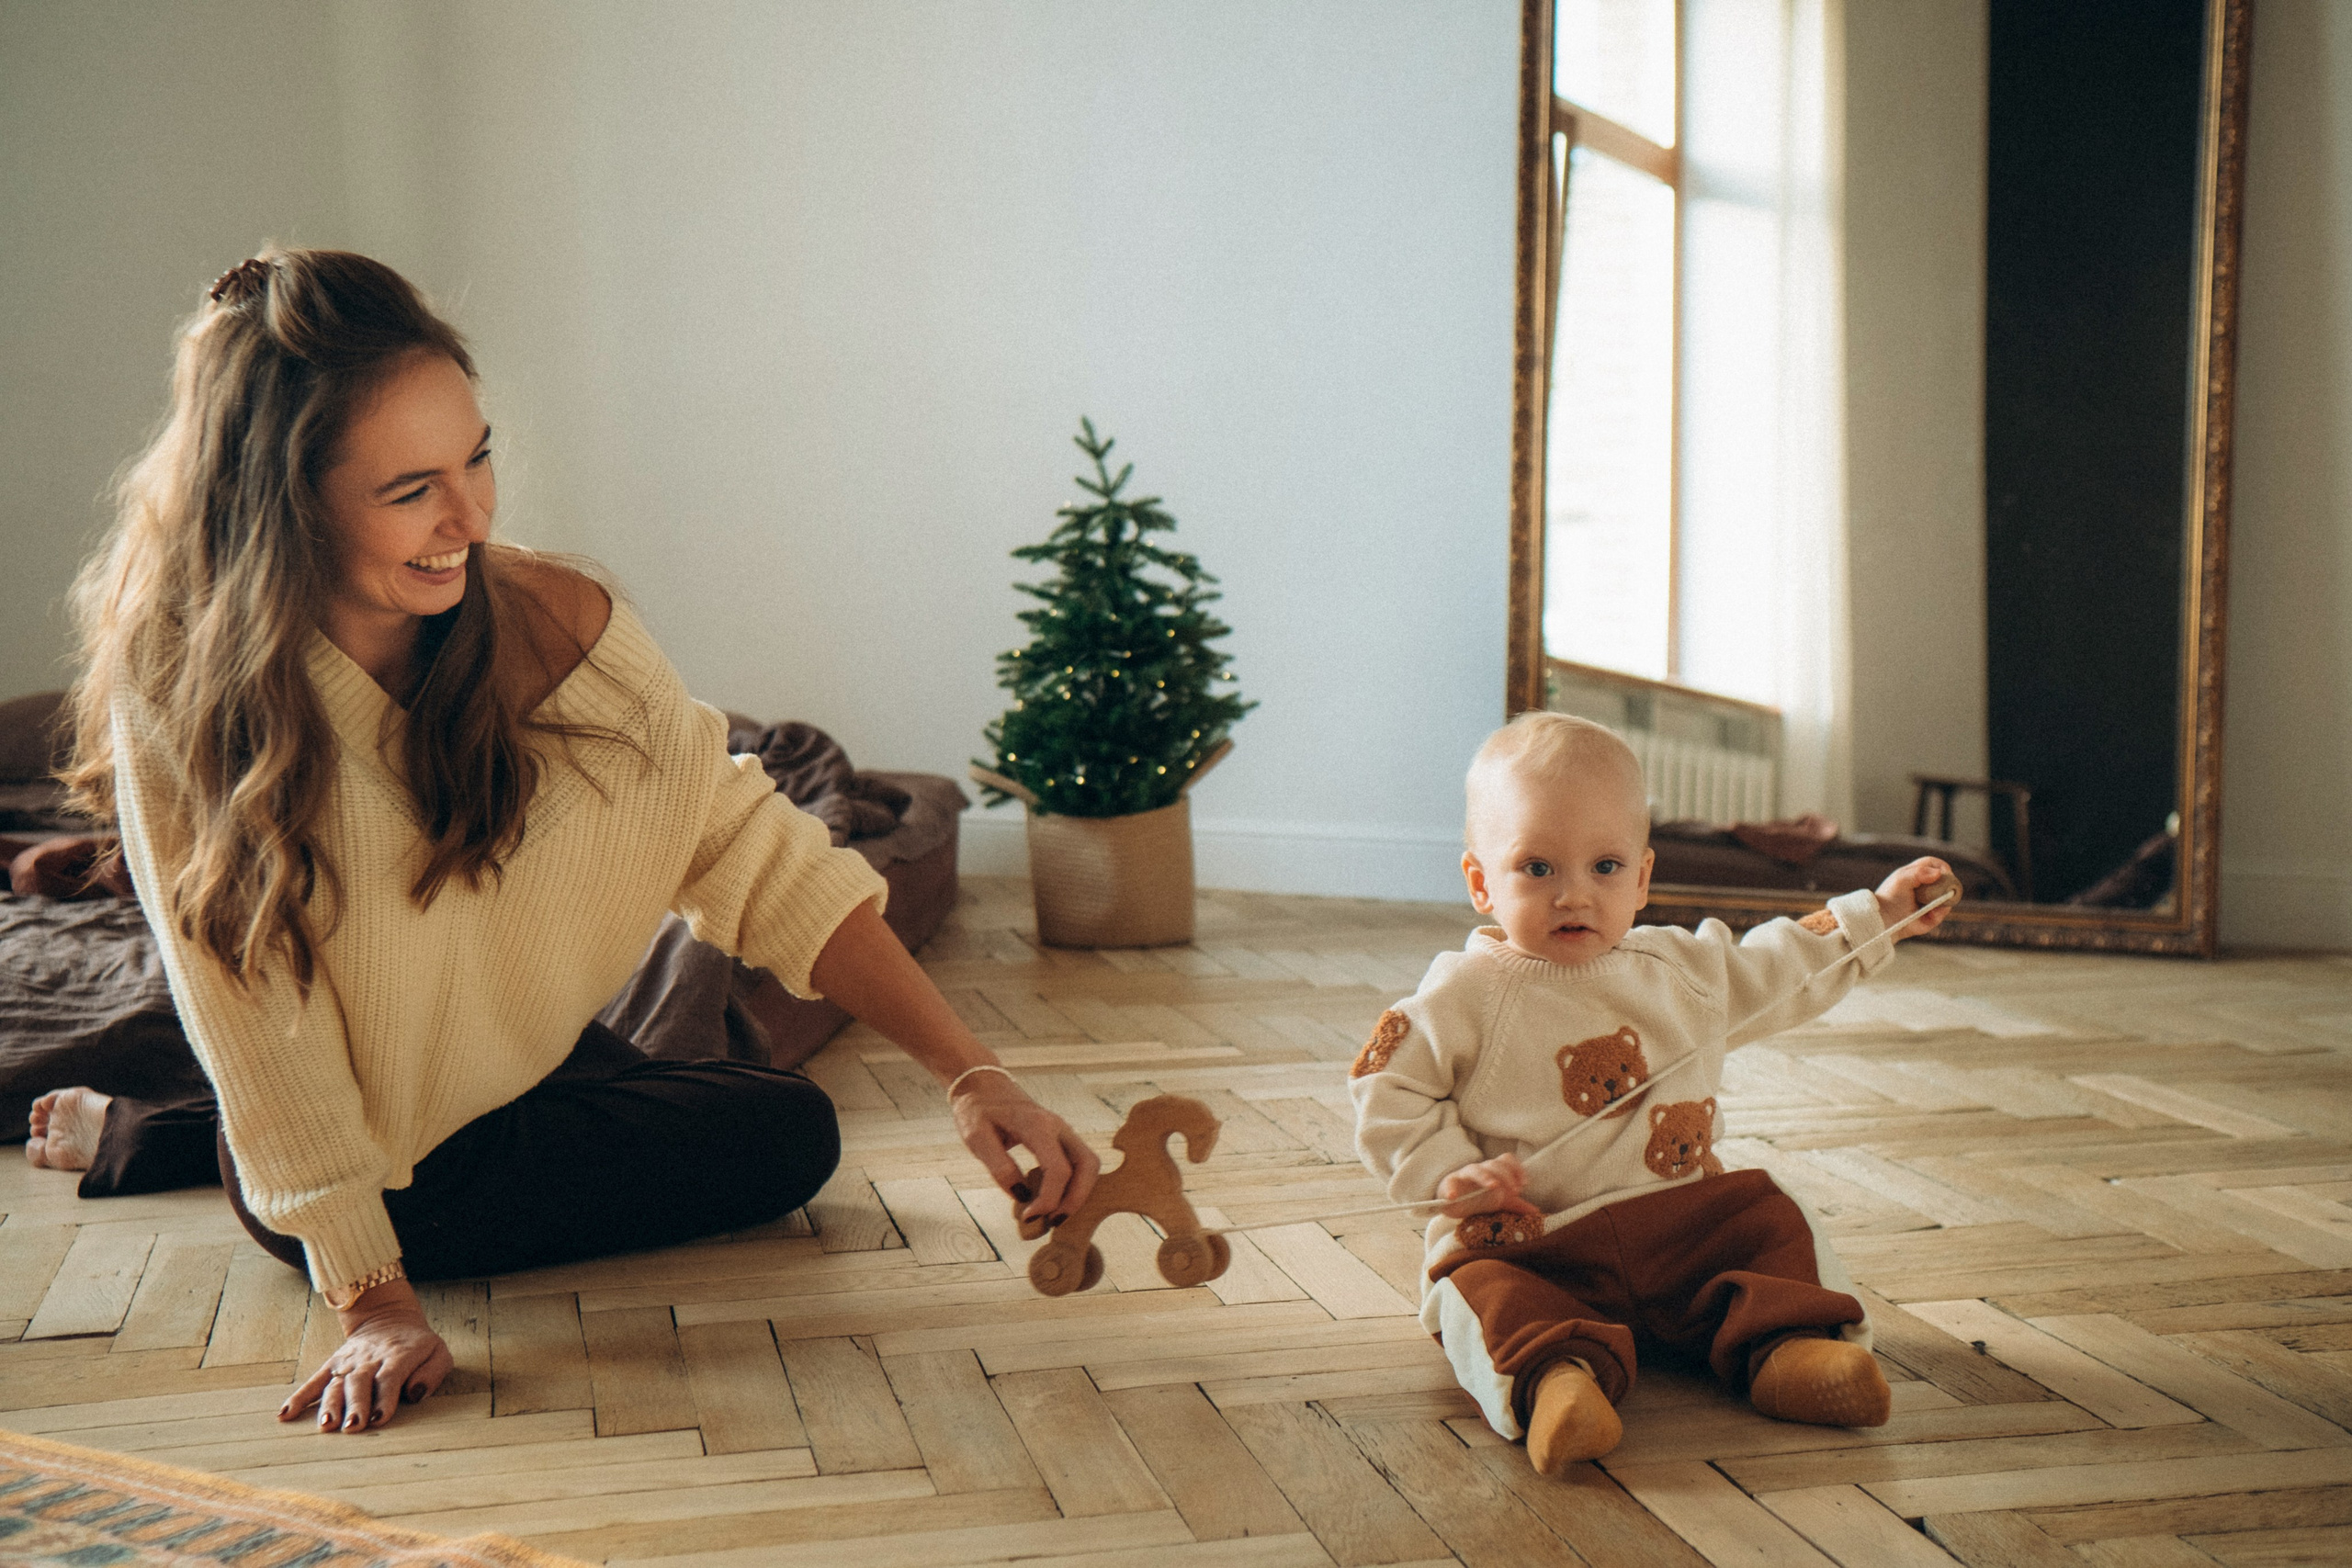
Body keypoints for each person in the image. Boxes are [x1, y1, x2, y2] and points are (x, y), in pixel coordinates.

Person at [27, 248, 1099, 1435]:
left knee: (747, 1096)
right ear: (286, 500)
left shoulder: (552, 616)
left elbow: (739, 834)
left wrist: (972, 1070)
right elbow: (250, 1018)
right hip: (374, 1163)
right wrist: (374, 1300)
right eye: (410, 489)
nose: (470, 515)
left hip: (528, 1061)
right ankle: (184, 1138)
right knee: (786, 1129)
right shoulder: (187, 696)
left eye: (477, 456)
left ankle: (150, 1128)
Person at [1349, 712, 1951, 1474]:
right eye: (1537, 868)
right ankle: (1556, 1381)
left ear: (1641, 877)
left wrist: (1885, 916)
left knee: (1770, 1216)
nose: (1574, 895)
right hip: (1538, 1242)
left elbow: (1785, 963)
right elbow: (1385, 1082)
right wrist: (1447, 1175)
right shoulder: (1460, 994)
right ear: (1479, 882)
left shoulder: (1682, 970)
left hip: (1682, 1227)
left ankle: (1789, 1348)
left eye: (1604, 867)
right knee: (1476, 1286)